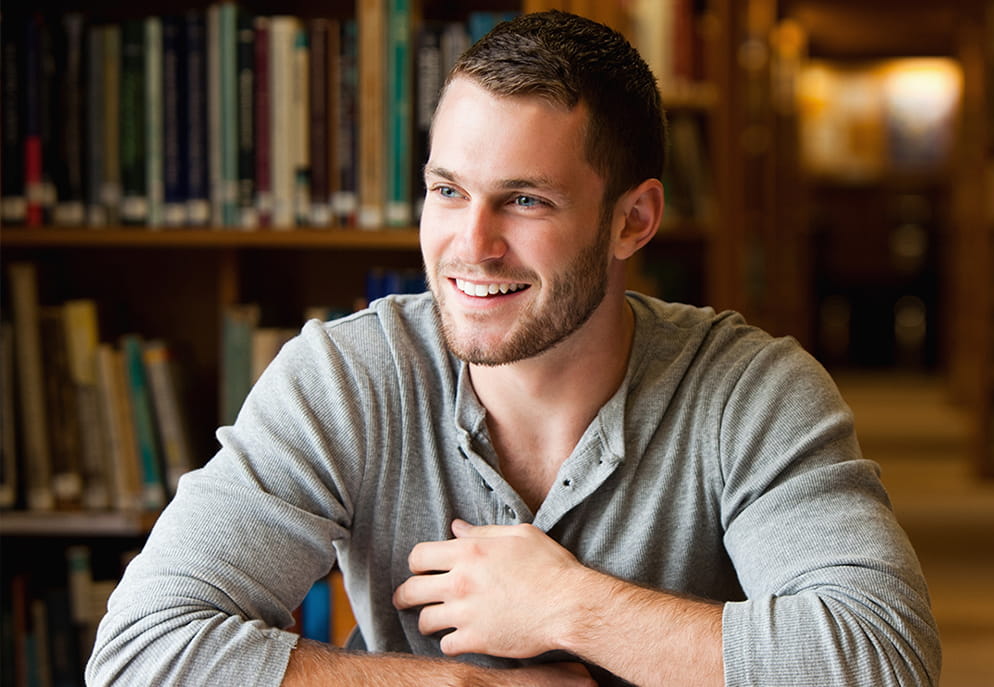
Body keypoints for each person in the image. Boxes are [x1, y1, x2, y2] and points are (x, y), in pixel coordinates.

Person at [87, 10, 940, 687]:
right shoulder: (346, 378)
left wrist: (569, 606)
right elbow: (142, 651)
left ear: (632, 220)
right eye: (446, 190)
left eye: (524, 200)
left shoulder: (752, 390)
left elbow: (879, 659)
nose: (471, 244)